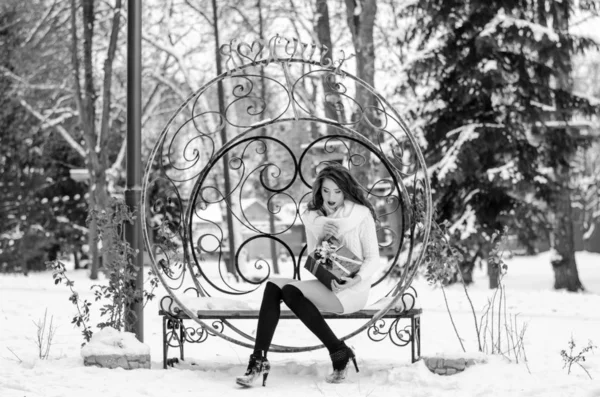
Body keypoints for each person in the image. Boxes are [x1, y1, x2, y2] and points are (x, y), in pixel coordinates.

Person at [236, 164, 381, 387]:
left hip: (353, 290)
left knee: (291, 291)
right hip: (328, 283)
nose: (331, 197)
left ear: (346, 190)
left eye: (337, 191)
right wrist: (322, 233)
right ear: (319, 191)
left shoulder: (361, 215)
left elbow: (373, 258)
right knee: (274, 285)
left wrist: (356, 279)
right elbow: (316, 256)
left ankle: (337, 351)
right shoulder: (313, 217)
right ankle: (258, 360)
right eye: (326, 191)